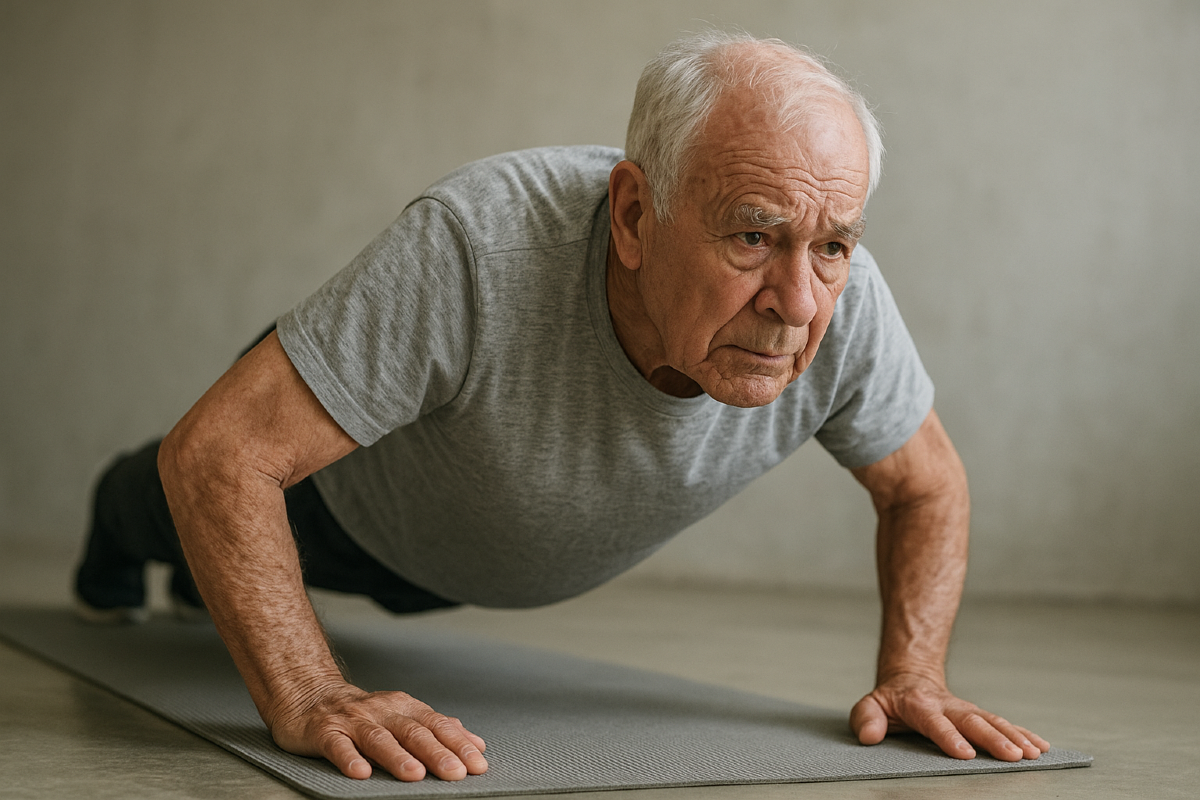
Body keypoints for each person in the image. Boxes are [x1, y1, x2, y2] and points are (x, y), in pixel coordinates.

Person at [74, 32, 1051, 782]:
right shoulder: (476, 244)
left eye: (833, 244)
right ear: (633, 215)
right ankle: (119, 541)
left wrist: (916, 673)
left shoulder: (844, 302)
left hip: (471, 547)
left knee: (360, 588)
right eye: (752, 235)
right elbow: (220, 454)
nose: (799, 302)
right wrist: (310, 690)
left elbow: (926, 485)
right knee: (154, 499)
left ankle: (209, 587)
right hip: (339, 496)